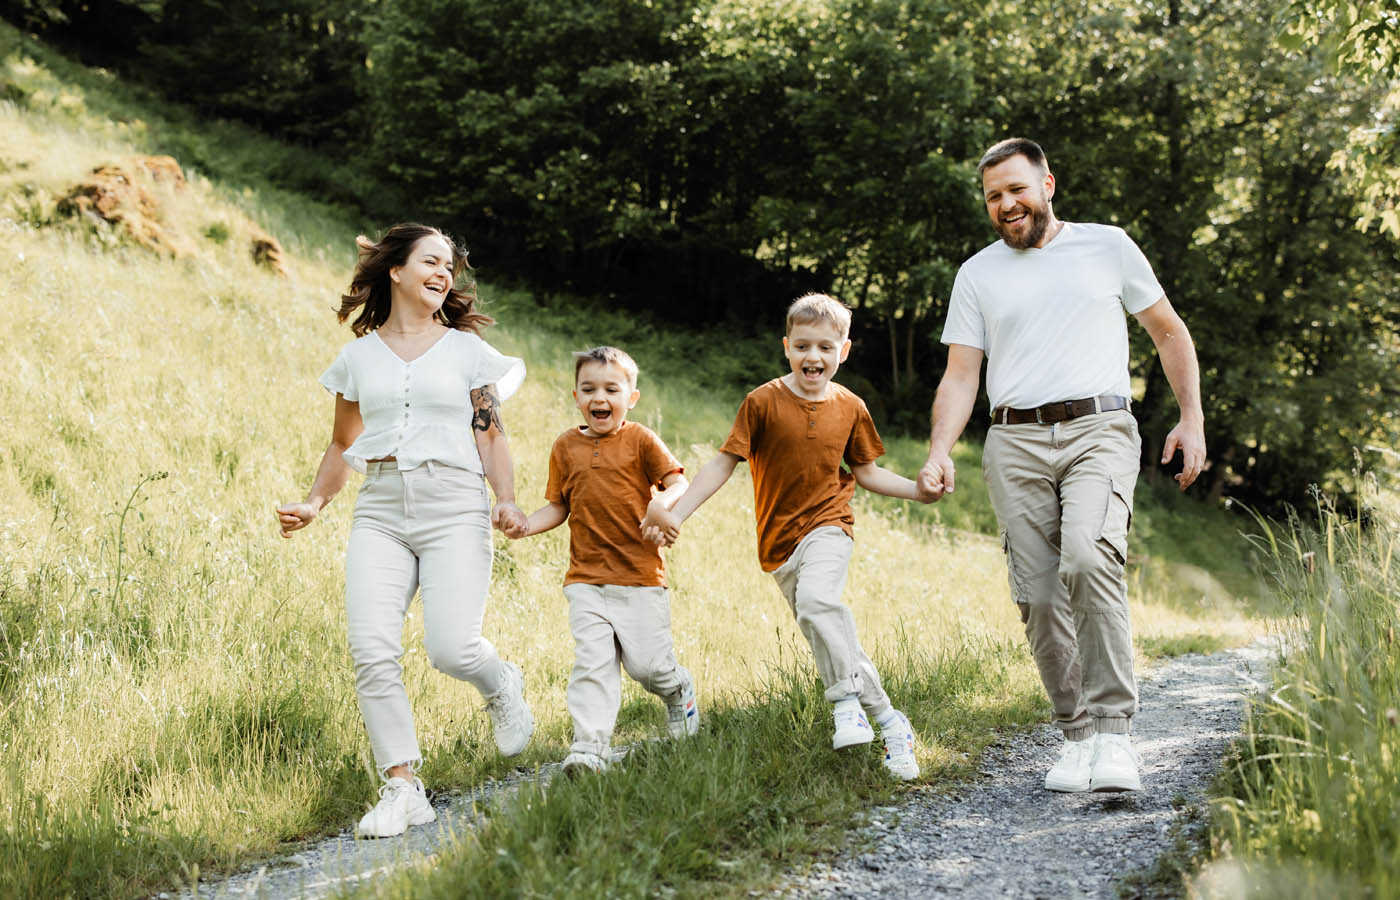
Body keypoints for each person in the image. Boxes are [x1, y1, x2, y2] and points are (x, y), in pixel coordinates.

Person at [918, 138, 1206, 794]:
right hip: (1012, 441)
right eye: (993, 196)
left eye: (1016, 189)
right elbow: (961, 375)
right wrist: (939, 451)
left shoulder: (1107, 245)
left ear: (1048, 183)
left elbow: (1168, 330)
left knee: (1088, 556)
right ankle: (1075, 736)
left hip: (1098, 428)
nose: (1006, 204)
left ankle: (1114, 736)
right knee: (1037, 591)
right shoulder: (978, 274)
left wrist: (1190, 418)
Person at [276, 223, 535, 838]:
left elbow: (491, 433)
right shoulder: (358, 356)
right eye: (432, 261)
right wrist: (315, 502)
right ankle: (402, 786)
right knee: (371, 648)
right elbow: (345, 443)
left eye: (451, 266)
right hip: (382, 509)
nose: (445, 274)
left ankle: (500, 683)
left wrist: (507, 499)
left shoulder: (469, 352)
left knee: (450, 648)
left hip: (454, 505)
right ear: (396, 270)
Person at [643, 293, 931, 781]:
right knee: (832, 637)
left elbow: (867, 472)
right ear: (786, 347)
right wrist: (679, 514)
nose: (812, 357)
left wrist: (919, 493)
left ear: (843, 351)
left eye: (824, 346)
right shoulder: (761, 402)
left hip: (830, 526)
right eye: (802, 346)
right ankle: (890, 721)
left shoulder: (851, 407)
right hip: (779, 546)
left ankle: (845, 705)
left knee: (821, 605)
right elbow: (721, 465)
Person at [504, 346, 697, 776]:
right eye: (589, 389)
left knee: (648, 667)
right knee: (592, 664)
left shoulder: (642, 439)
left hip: (641, 577)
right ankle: (590, 749)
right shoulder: (565, 447)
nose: (600, 398)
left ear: (632, 397)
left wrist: (660, 505)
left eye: (612, 389)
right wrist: (525, 526)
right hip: (585, 579)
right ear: (575, 396)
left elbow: (678, 481)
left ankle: (677, 689)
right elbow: (557, 507)